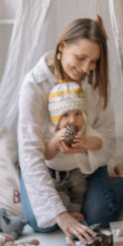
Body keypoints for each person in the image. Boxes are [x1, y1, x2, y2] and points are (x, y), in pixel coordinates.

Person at [17, 18, 123, 246]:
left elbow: (108, 137)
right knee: (43, 222)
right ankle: (53, 198)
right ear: (62, 47)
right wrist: (61, 215)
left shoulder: (95, 82)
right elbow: (30, 151)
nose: (87, 68)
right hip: (51, 166)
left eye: (94, 61)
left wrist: (87, 145)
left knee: (99, 216)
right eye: (80, 58)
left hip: (85, 165)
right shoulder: (34, 85)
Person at [45, 80, 101, 214]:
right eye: (65, 115)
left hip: (77, 171)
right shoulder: (51, 131)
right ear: (56, 118)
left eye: (77, 114)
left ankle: (76, 210)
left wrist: (86, 142)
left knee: (79, 190)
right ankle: (64, 209)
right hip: (54, 173)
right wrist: (54, 141)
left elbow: (98, 143)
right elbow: (47, 155)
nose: (72, 120)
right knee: (57, 195)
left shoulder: (84, 129)